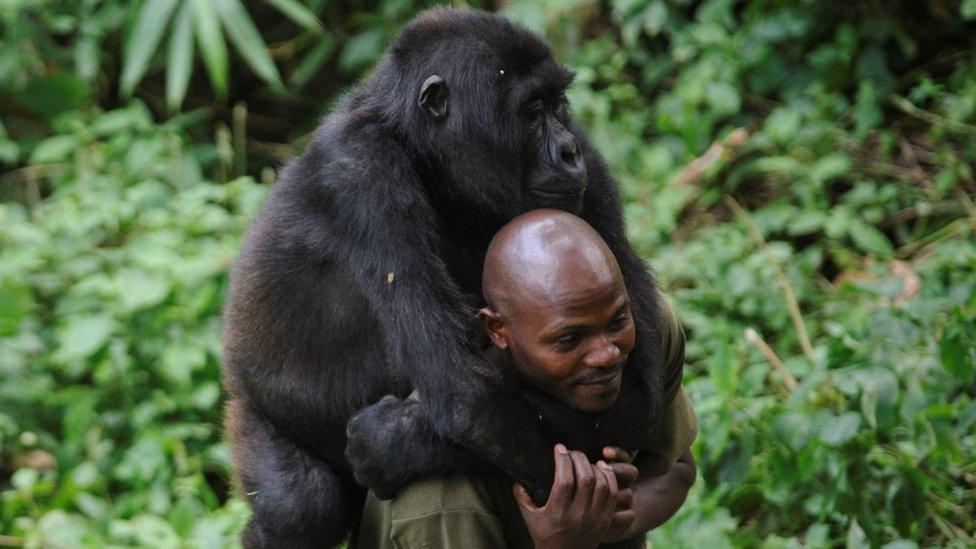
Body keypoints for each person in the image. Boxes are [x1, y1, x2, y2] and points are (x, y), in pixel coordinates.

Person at [352, 209, 697, 548]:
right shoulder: (445, 499)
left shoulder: (646, 332)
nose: (607, 354)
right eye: (569, 339)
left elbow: (677, 468)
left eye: (617, 320)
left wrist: (612, 515)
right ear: (498, 331)